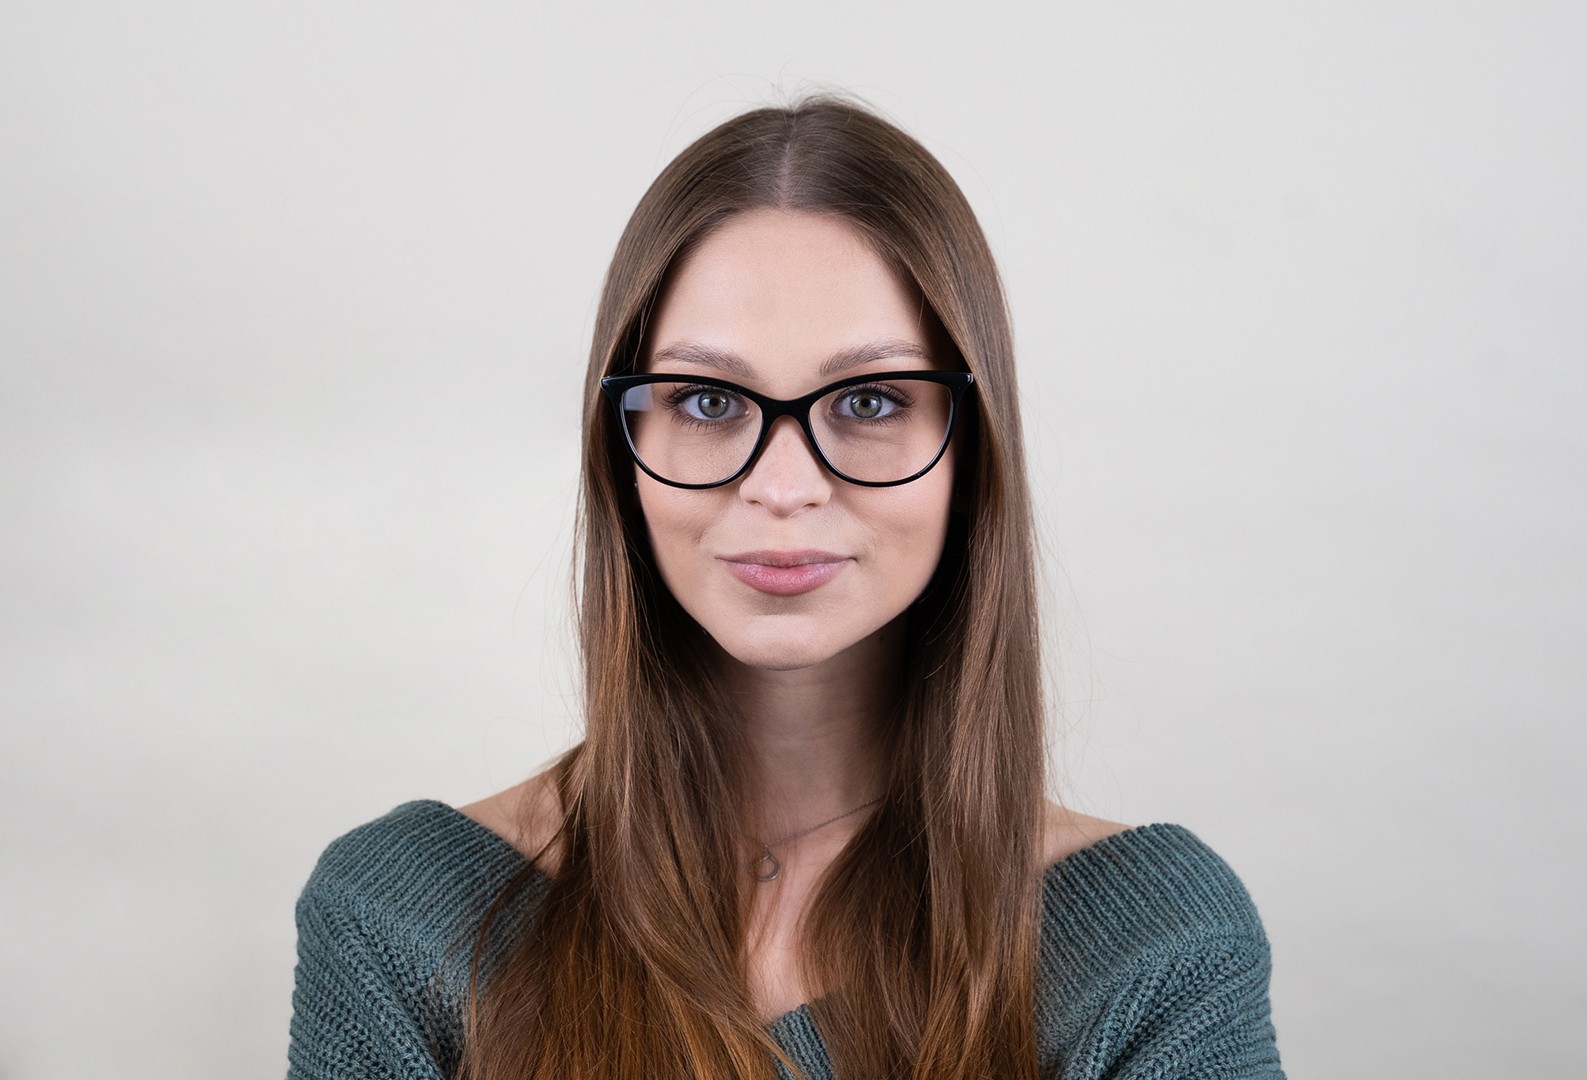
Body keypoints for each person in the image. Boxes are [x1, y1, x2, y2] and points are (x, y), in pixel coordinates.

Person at [287, 97, 1285, 1080]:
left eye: (871, 401)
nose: (782, 486)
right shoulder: (403, 922)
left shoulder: (1154, 950)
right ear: (621, 451)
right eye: (707, 401)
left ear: (972, 452)